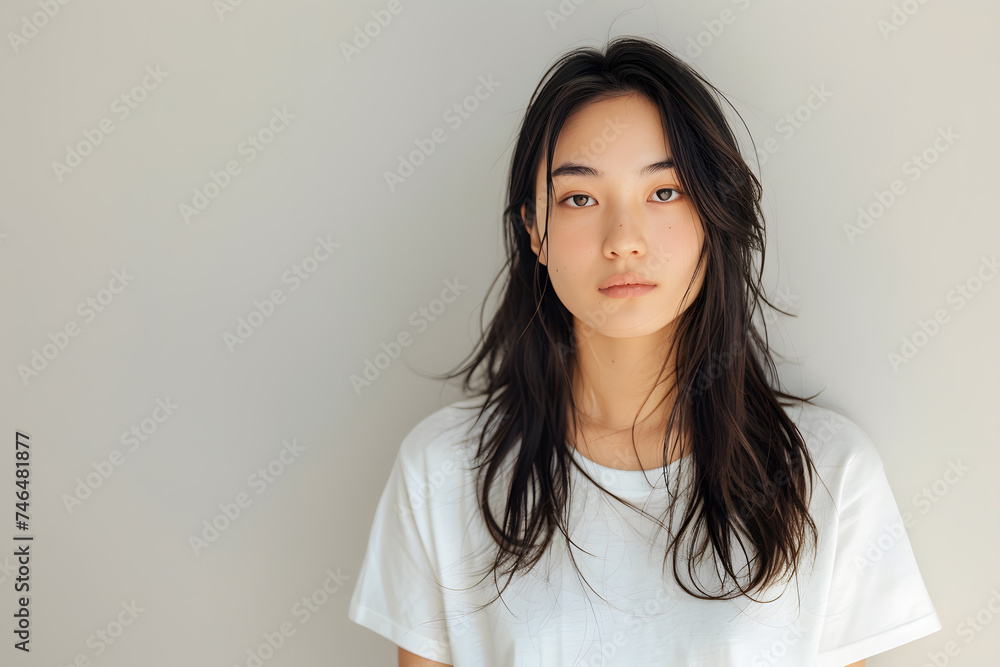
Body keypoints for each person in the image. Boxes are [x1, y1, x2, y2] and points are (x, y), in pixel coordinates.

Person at [348, 35, 941, 666]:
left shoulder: (824, 473)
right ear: (534, 233)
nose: (624, 240)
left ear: (713, 216)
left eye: (664, 193)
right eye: (580, 198)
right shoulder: (445, 471)